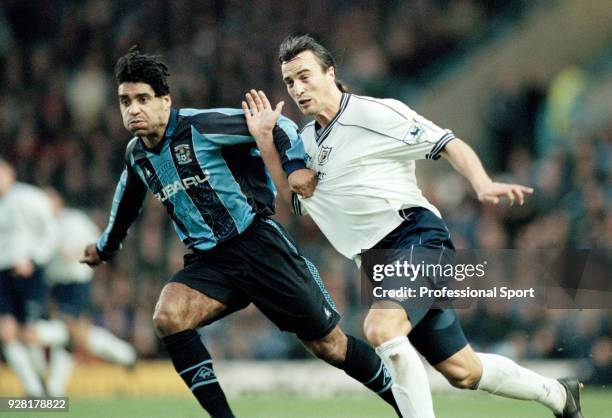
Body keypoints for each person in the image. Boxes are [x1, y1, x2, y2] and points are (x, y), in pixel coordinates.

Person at [241, 34, 585, 418]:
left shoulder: (374, 114)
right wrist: (264, 141)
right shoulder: (305, 140)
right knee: (463, 371)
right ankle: (558, 395)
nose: (298, 88)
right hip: (378, 263)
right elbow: (293, 202)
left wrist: (482, 183)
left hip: (416, 237)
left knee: (382, 329)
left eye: (305, 76)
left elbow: (448, 142)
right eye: (290, 82)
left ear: (331, 73)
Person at [79, 47, 400, 417]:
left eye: (142, 99)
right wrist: (105, 246)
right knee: (168, 316)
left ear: (165, 101)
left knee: (329, 346)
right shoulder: (137, 153)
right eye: (124, 101)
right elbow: (128, 198)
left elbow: (278, 125)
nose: (132, 109)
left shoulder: (202, 126)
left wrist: (294, 167)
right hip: (209, 263)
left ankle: (405, 402)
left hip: (257, 245)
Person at [34, 188, 136, 397]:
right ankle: (124, 354)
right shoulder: (44, 224)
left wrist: (73, 252)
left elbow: (96, 243)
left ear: (58, 199)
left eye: (48, 199)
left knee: (71, 331)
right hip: (56, 283)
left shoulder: (74, 220)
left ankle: (54, 388)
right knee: (73, 333)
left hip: (76, 281)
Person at [0, 158, 57, 396]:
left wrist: (34, 260)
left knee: (29, 333)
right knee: (6, 332)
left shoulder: (30, 198)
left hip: (29, 274)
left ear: (10, 174)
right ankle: (33, 391)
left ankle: (62, 338)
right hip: (2, 276)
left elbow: (51, 231)